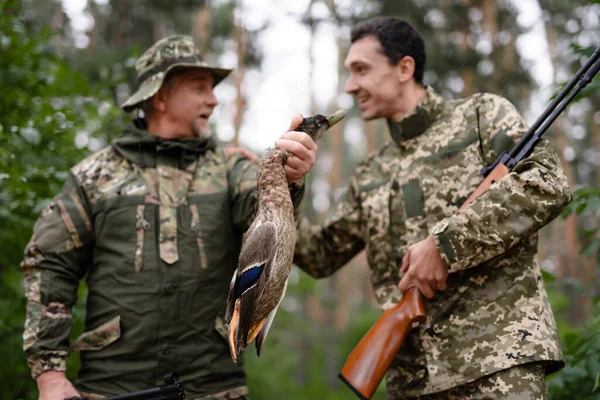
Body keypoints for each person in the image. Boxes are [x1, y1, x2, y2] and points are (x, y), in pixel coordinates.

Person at [21, 35, 318, 400]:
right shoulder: (92, 177)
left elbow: (265, 219)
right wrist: (50, 376)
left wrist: (287, 178)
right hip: (111, 389)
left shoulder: (231, 168)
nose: (213, 99)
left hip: (212, 388)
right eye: (199, 88)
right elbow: (50, 269)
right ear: (160, 97)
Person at [294, 16, 571, 399]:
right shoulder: (371, 170)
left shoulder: (481, 115)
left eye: (361, 69)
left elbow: (546, 182)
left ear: (404, 68)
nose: (350, 85)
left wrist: (445, 244)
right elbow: (318, 256)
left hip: (496, 366)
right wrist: (286, 186)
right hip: (411, 384)